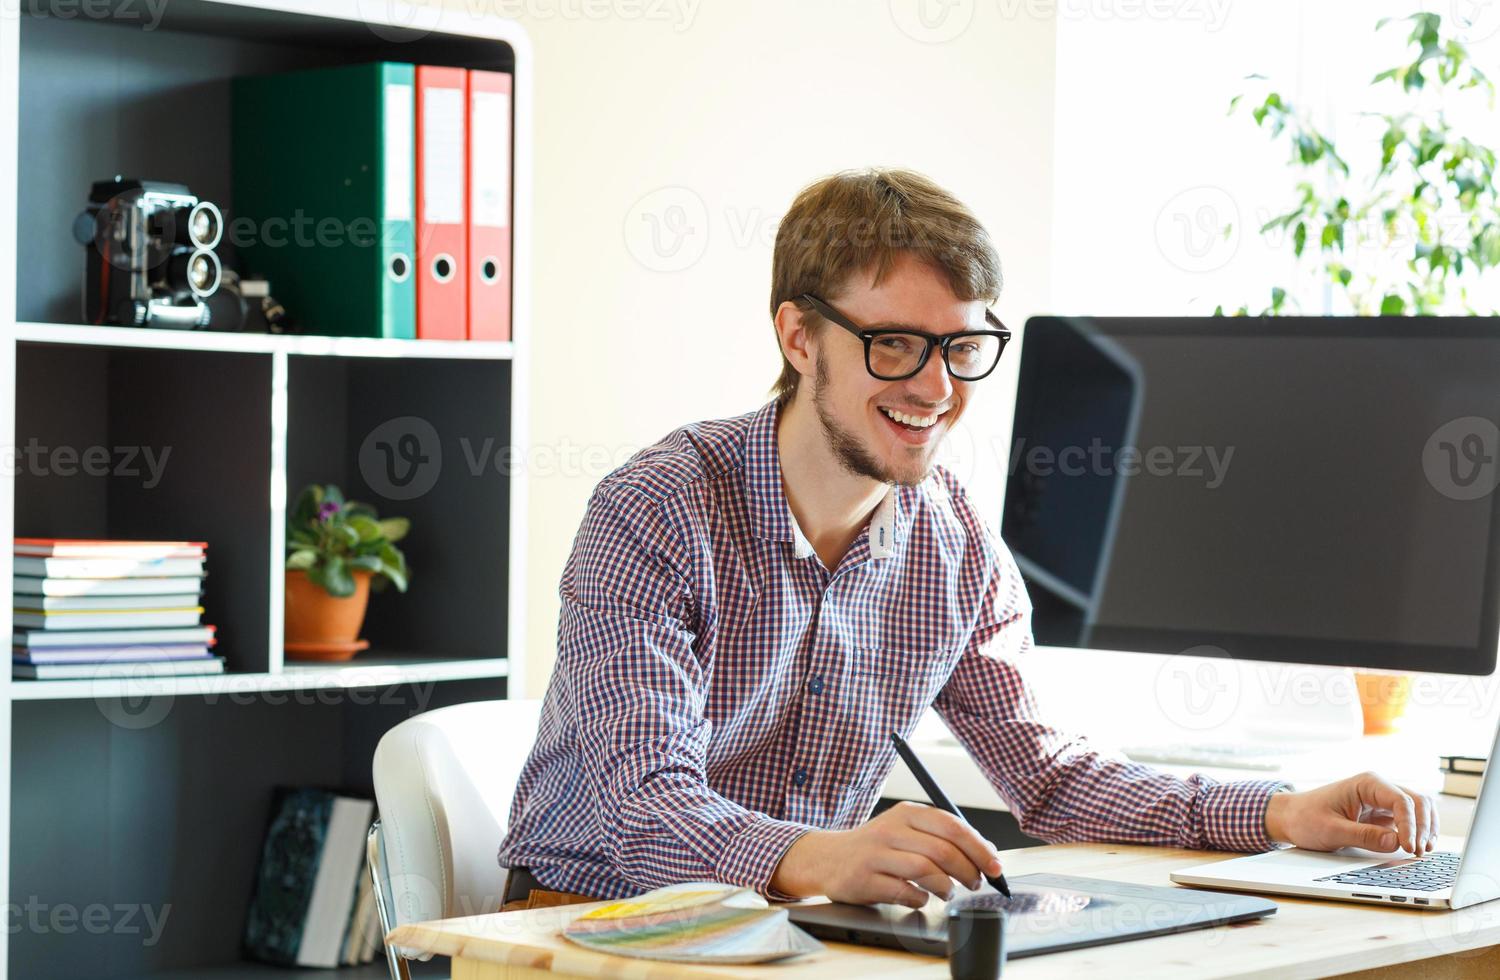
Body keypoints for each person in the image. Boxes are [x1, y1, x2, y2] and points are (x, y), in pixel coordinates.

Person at [496, 168, 1438, 912]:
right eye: (895, 344)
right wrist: (826, 855)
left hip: (792, 937)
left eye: (962, 347)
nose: (937, 388)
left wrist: (1277, 813)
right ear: (797, 337)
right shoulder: (657, 510)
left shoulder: (953, 547)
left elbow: (1053, 781)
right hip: (583, 926)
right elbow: (645, 815)